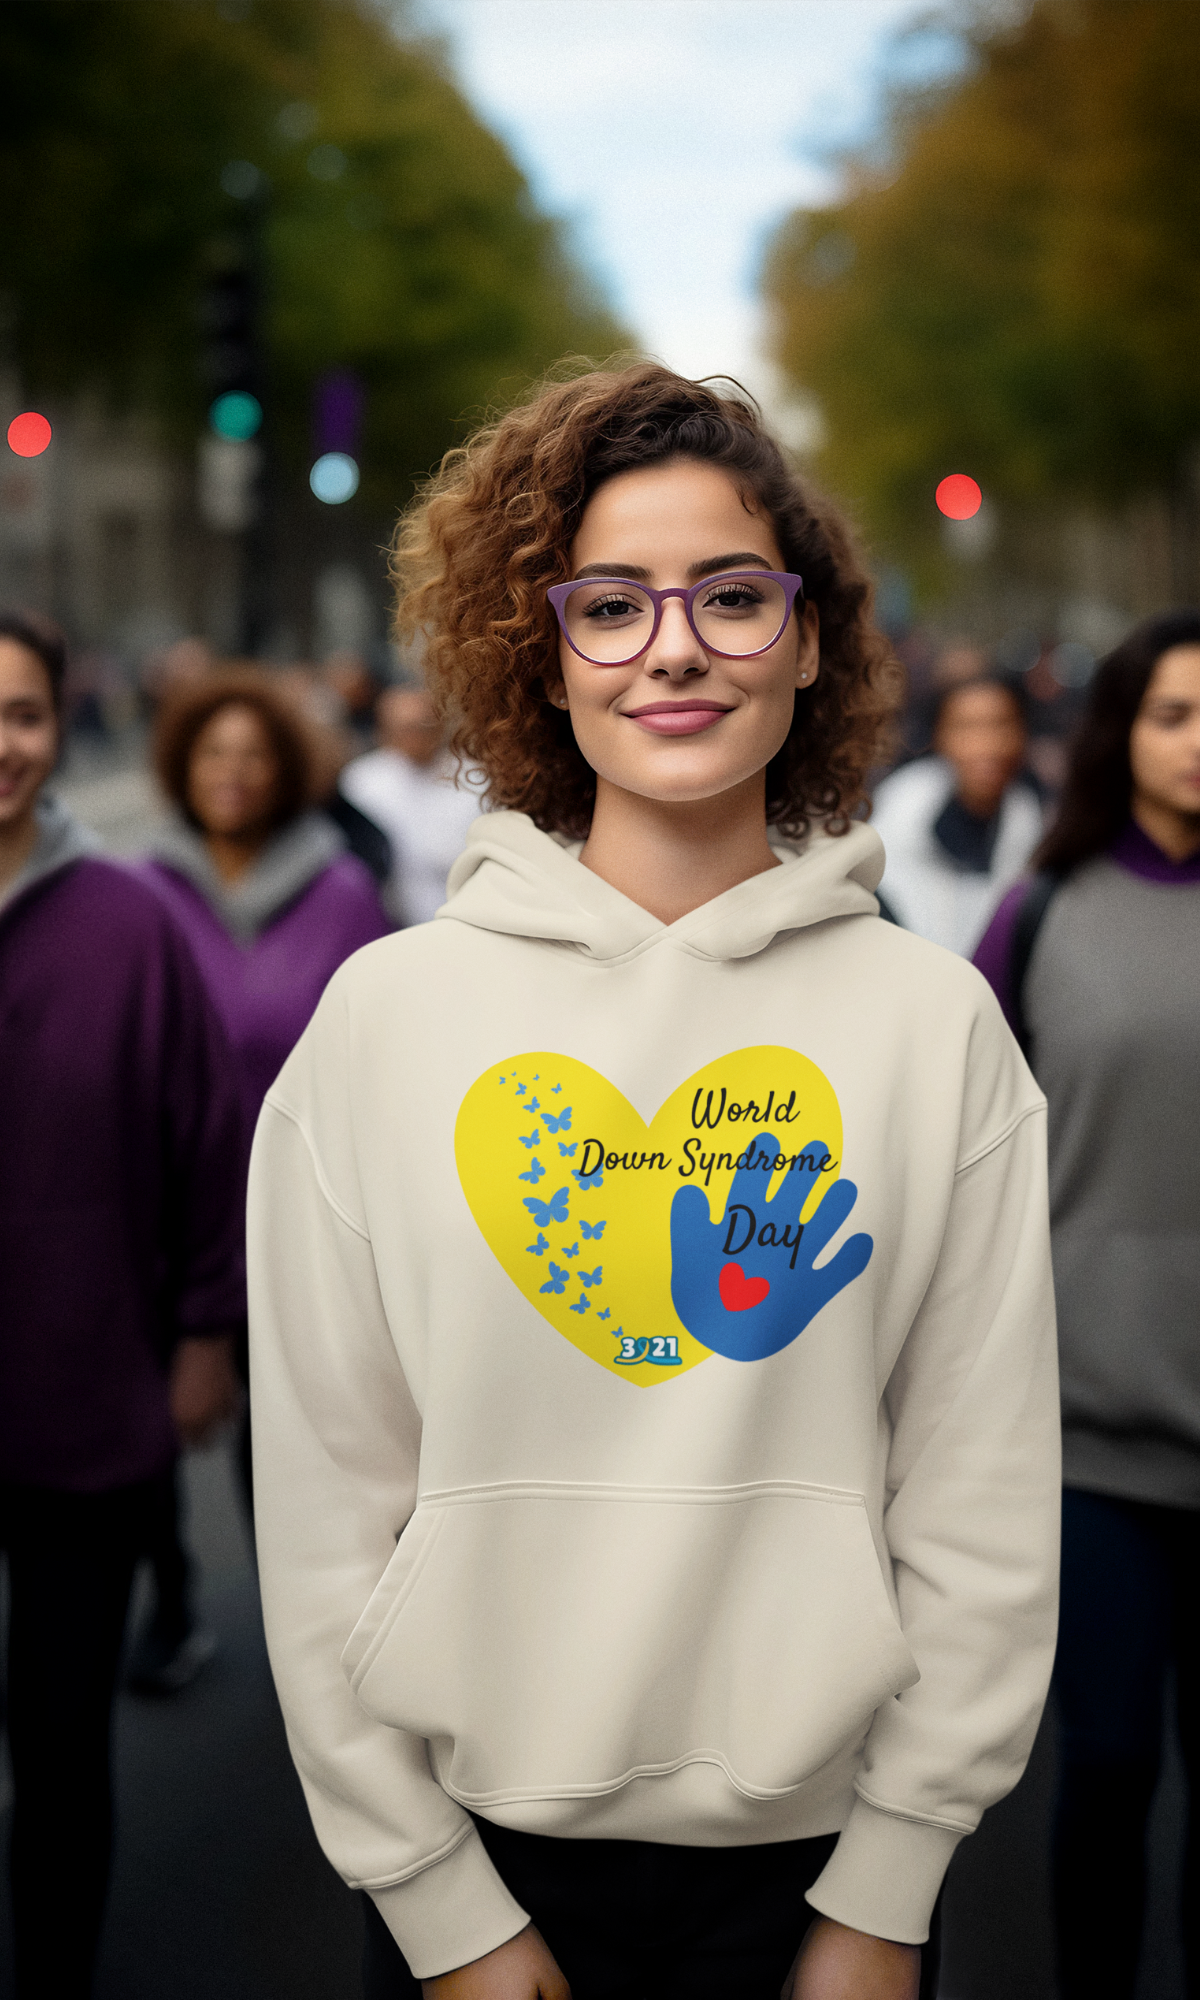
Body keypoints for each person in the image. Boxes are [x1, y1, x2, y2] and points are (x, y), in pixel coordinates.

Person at [248, 364, 1060, 2000]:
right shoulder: (387, 1021)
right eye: (609, 605)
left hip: (828, 1885)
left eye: (732, 597)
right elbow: (329, 1501)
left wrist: (889, 1891)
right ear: (540, 653)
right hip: (474, 1870)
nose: (673, 645)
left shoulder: (932, 1024)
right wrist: (436, 1904)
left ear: (813, 636)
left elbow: (978, 1494)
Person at [0, 610, 245, 1998]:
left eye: (24, 713)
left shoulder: (132, 928)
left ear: (61, 727)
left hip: (86, 1408)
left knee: (59, 1740)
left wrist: (205, 1335)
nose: (2, 744)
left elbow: (207, 1142)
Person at [973, 610, 1200, 2000]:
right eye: (1175, 713)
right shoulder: (1043, 909)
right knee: (1107, 1764)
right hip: (1088, 1441)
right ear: (1121, 734)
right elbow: (971, 1164)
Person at [125, 667, 391, 1684]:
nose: (231, 773)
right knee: (142, 1432)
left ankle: (309, 1635)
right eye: (210, 754)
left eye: (253, 754)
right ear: (181, 767)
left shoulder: (341, 892)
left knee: (280, 1446)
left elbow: (377, 1062)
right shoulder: (139, 893)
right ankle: (171, 1599)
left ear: (286, 770)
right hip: (159, 1214)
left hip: (297, 1218)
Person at [871, 675, 1042, 954]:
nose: (986, 743)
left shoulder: (1032, 822)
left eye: (1001, 724)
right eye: (967, 727)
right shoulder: (896, 820)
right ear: (939, 735)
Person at [339, 682, 483, 924]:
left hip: (466, 916)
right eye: (404, 728)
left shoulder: (475, 777)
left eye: (422, 726)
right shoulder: (361, 782)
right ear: (384, 731)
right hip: (388, 921)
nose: (415, 737)